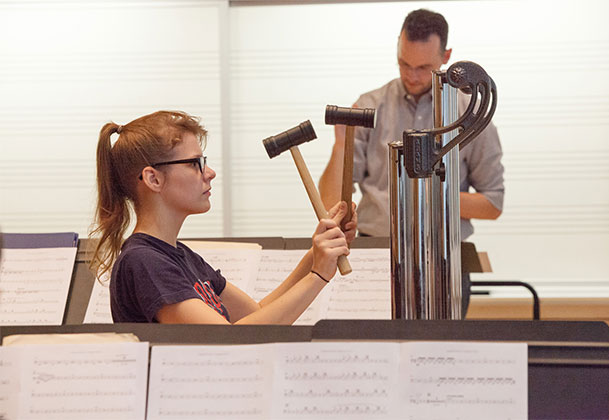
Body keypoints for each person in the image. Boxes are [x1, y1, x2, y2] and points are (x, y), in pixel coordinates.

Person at [90, 110, 356, 325]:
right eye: (196, 163)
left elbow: (257, 313)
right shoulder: (144, 261)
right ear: (153, 178)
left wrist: (318, 252)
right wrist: (318, 275)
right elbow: (227, 341)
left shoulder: (181, 256)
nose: (210, 173)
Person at [318, 8, 504, 240]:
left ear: (446, 57)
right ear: (398, 46)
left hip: (447, 254)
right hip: (377, 247)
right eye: (404, 64)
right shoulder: (369, 105)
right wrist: (340, 144)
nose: (412, 76)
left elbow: (493, 204)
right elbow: (330, 202)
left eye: (423, 68)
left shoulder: (470, 113)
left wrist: (425, 192)